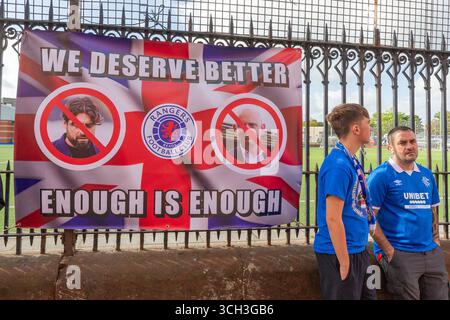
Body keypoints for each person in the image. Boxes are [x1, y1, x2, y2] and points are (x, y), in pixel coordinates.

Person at [367, 126, 449, 300]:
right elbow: (368, 217)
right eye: (402, 143)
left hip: (430, 252)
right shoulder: (381, 175)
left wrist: (435, 240)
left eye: (412, 141)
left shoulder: (426, 174)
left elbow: (432, 209)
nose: (409, 146)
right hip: (400, 253)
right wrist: (389, 251)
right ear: (390, 147)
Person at [313, 103, 376, 300]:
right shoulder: (338, 165)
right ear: (356, 129)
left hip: (357, 250)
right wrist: (345, 262)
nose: (371, 128)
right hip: (340, 254)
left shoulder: (349, 160)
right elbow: (333, 219)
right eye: (368, 123)